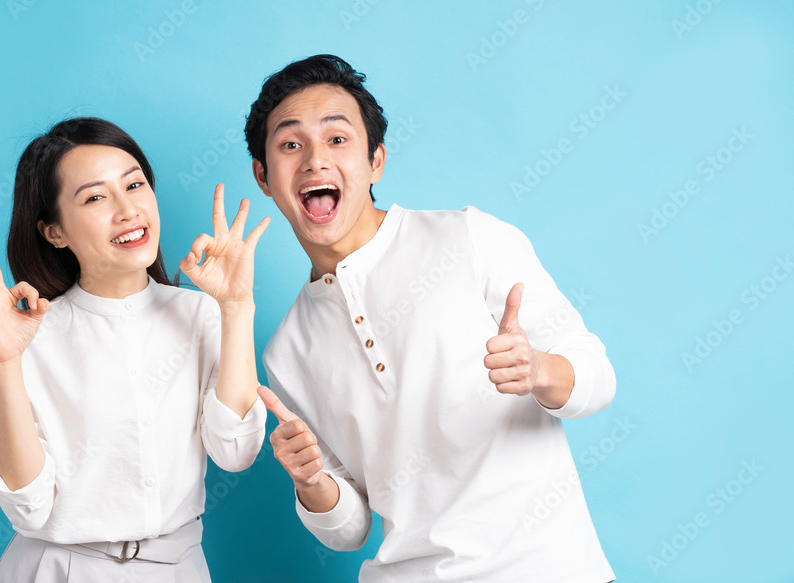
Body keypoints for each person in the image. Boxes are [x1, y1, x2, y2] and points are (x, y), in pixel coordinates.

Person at [246, 55, 617, 582]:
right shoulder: (285, 351)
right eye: (289, 144)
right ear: (264, 176)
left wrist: (538, 370)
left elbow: (598, 379)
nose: (313, 161)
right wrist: (311, 483)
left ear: (376, 161)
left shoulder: (469, 237)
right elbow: (350, 528)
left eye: (337, 139)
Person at [0, 116, 270, 582]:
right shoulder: (27, 336)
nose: (127, 209)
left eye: (134, 185)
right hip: (61, 568)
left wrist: (236, 308)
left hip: (178, 568)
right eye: (95, 197)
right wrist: (6, 363)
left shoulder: (201, 315)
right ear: (55, 231)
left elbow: (235, 452)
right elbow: (29, 509)